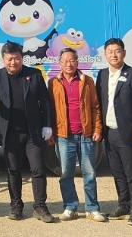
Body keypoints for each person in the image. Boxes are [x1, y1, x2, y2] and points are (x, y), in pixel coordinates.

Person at [0, 40, 54, 223]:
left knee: (38, 169)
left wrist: (47, 125)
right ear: (3, 59)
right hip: (10, 133)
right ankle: (16, 205)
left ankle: (40, 206)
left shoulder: (34, 74)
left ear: (22, 58)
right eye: (9, 59)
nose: (13, 62)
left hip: (33, 132)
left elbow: (45, 101)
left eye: (16, 58)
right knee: (13, 171)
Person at [95, 37, 132, 226]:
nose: (114, 55)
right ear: (105, 54)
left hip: (128, 132)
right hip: (109, 132)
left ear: (124, 53)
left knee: (131, 172)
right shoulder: (102, 75)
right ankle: (124, 205)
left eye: (117, 51)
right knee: (117, 171)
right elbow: (98, 103)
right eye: (110, 52)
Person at [47, 48, 106, 222]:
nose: (69, 64)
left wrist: (97, 129)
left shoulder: (87, 81)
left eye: (72, 60)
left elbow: (95, 107)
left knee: (90, 174)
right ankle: (70, 207)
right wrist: (50, 131)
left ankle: (92, 209)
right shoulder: (53, 83)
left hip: (86, 134)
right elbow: (50, 110)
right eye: (65, 61)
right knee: (66, 174)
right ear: (60, 63)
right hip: (64, 135)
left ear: (77, 62)